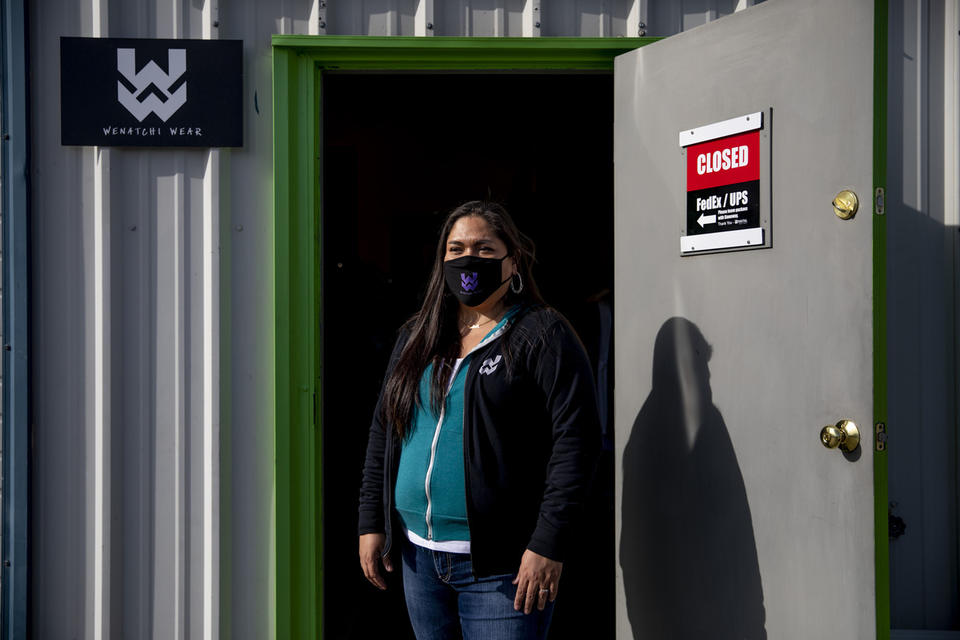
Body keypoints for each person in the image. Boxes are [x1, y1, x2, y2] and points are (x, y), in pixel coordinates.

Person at [358, 200, 601, 640]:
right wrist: (371, 521)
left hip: (502, 569)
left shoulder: (542, 334)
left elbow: (576, 444)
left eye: (485, 249)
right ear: (442, 260)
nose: (469, 258)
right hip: (419, 559)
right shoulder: (417, 336)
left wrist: (548, 543)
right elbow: (384, 432)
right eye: (456, 248)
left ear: (513, 262)